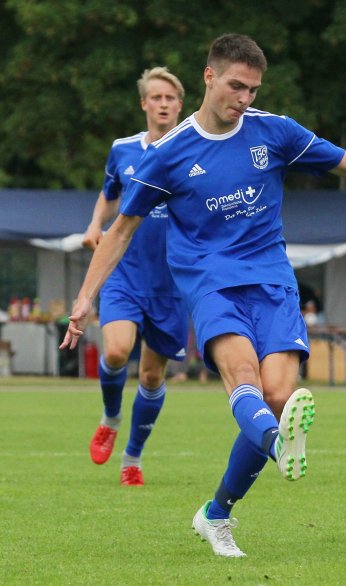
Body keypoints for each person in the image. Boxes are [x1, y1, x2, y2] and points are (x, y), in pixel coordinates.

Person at [60, 34, 346, 556]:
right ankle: (277, 445)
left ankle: (216, 513)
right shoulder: (168, 154)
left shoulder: (274, 132)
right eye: (235, 86)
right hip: (209, 282)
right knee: (244, 379)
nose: (244, 98)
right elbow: (120, 230)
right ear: (209, 77)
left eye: (252, 89)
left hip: (273, 281)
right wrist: (86, 296)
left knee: (277, 395)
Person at [81, 67, 189, 486]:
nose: (163, 104)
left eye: (170, 98)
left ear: (180, 105)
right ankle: (110, 416)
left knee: (150, 377)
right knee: (114, 353)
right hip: (125, 273)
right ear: (144, 103)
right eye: (156, 97)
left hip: (173, 284)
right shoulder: (123, 150)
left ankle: (133, 457)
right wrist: (95, 225)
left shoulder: (194, 150)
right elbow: (110, 194)